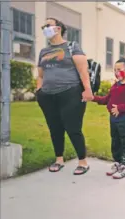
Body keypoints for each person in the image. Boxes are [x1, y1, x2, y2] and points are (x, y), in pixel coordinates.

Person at [36, 18, 93, 175]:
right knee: (55, 128)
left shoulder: (72, 46)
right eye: (43, 26)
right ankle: (59, 159)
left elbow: (83, 71)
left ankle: (82, 162)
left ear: (58, 28)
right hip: (47, 95)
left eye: (48, 25)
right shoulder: (43, 51)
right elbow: (40, 75)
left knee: (73, 128)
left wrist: (87, 90)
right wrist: (39, 91)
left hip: (70, 93)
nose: (45, 28)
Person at [92, 58, 125, 179]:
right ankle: (117, 163)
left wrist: (120, 108)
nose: (116, 72)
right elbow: (106, 100)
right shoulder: (115, 86)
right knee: (115, 142)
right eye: (115, 70)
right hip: (113, 120)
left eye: (119, 69)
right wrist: (93, 98)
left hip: (124, 121)